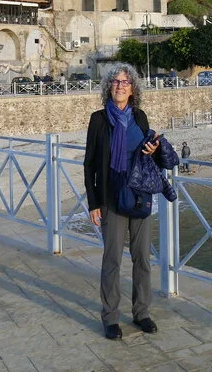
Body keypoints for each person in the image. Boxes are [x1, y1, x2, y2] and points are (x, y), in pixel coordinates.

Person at [83, 65, 162, 340]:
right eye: (115, 82)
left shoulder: (140, 117)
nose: (120, 86)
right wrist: (93, 202)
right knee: (112, 260)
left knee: (142, 258)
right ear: (109, 87)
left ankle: (142, 312)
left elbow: (147, 157)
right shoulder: (98, 119)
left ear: (132, 89)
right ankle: (110, 317)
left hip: (139, 196)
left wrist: (153, 150)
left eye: (125, 82)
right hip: (110, 198)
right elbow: (89, 163)